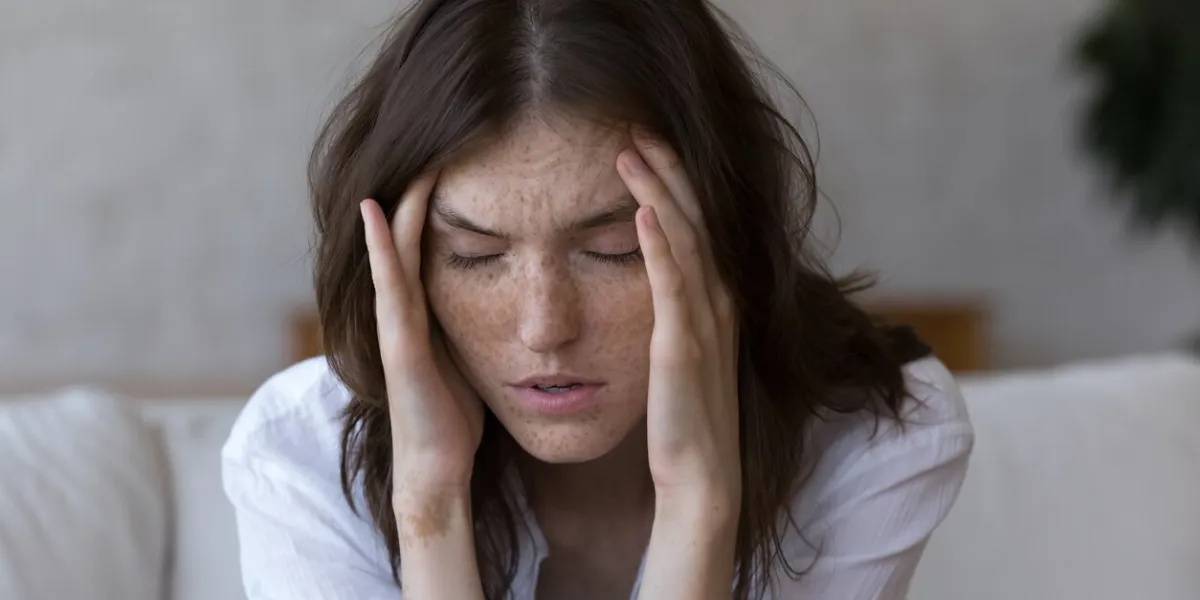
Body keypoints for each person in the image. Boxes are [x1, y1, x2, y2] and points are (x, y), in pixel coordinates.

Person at [221, 0, 975, 598]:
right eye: (475, 257)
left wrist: (698, 505)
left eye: (614, 252)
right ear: (404, 266)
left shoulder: (874, 436)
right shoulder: (300, 457)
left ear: (723, 235)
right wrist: (431, 506)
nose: (545, 326)